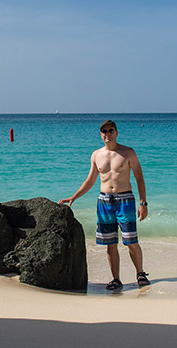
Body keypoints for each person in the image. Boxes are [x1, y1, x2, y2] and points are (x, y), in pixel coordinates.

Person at [59, 120, 149, 290]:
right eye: (104, 131)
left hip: (125, 200)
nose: (107, 134)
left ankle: (140, 273)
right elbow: (90, 180)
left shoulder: (128, 152)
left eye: (110, 130)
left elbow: (139, 178)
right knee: (110, 242)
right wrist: (74, 197)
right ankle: (116, 279)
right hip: (104, 201)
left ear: (116, 132)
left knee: (131, 240)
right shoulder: (96, 155)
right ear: (101, 134)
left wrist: (143, 203)